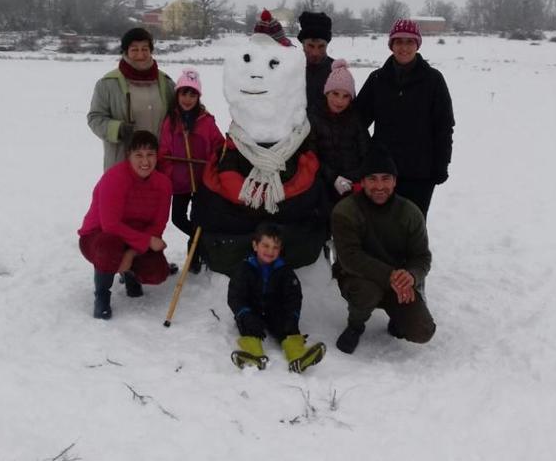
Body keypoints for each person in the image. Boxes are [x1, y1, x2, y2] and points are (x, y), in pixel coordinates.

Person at [331, 145, 436, 354]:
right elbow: (350, 258)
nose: (379, 186)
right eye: (372, 179)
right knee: (368, 291)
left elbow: (422, 256)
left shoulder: (410, 213)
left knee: (423, 331)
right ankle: (355, 325)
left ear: (395, 181)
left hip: (398, 282)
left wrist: (411, 276)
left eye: (386, 178)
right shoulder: (345, 211)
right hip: (358, 277)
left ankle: (397, 317)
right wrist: (391, 276)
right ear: (362, 182)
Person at [354, 18, 455, 217]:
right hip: (382, 173)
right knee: (380, 225)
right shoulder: (377, 79)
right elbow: (357, 121)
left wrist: (441, 164)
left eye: (410, 42)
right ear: (391, 45)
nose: (404, 47)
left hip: (421, 172)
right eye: (399, 41)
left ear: (417, 45)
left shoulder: (433, 80)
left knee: (412, 226)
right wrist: (368, 154)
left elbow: (443, 127)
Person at [78, 131, 172, 320]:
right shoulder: (114, 178)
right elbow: (110, 225)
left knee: (157, 271)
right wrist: (144, 242)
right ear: (128, 155)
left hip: (132, 239)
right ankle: (102, 295)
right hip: (98, 237)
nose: (145, 162)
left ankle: (129, 273)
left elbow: (157, 225)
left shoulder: (163, 184)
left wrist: (131, 254)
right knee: (109, 247)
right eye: (139, 155)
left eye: (150, 154)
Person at [227, 223, 326, 373]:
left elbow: (294, 296)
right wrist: (245, 314)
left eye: (275, 247)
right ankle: (253, 356)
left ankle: (298, 357)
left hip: (275, 311)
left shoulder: (284, 270)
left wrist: (292, 317)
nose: (270, 251)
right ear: (255, 245)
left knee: (288, 328)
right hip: (251, 311)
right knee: (249, 328)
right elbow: (235, 296)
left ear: (280, 249)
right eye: (265, 246)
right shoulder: (244, 268)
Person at [158, 68, 224, 273]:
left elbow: (219, 145)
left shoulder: (206, 120)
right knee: (178, 218)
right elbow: (163, 151)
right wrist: (172, 172)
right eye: (183, 93)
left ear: (198, 96)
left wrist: (210, 164)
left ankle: (194, 258)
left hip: (202, 181)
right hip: (180, 183)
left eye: (192, 94)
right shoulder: (170, 121)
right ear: (177, 94)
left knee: (198, 218)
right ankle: (200, 239)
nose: (187, 99)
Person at [88, 27, 175, 170]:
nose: (140, 55)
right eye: (134, 49)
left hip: (157, 165)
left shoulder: (166, 83)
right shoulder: (108, 84)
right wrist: (118, 129)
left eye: (145, 49)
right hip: (122, 162)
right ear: (125, 51)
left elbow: (181, 113)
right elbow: (95, 118)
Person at [308, 59, 370, 205]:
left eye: (346, 96)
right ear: (327, 92)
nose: (339, 101)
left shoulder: (355, 119)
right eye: (335, 94)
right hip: (323, 184)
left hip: (353, 184)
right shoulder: (314, 118)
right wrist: (334, 178)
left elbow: (366, 151)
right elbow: (311, 155)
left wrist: (354, 178)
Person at [297, 11, 334, 113]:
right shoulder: (290, 69)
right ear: (303, 43)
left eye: (321, 46)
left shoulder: (337, 72)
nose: (315, 53)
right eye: (310, 46)